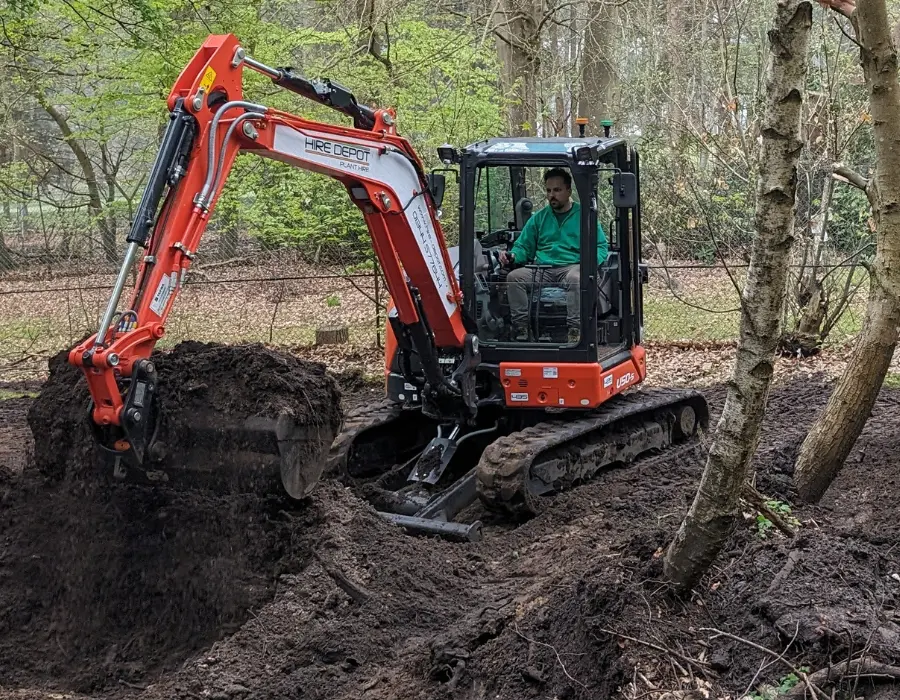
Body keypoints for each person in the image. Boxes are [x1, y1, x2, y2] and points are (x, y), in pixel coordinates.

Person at [498, 167, 609, 343]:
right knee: (514, 277)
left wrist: (589, 263)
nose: (552, 195)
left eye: (557, 190)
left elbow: (601, 247)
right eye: (549, 190)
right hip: (543, 269)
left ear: (568, 191)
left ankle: (575, 329)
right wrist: (512, 256)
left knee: (576, 279)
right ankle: (521, 327)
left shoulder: (585, 216)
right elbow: (523, 247)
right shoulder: (539, 218)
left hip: (572, 267)